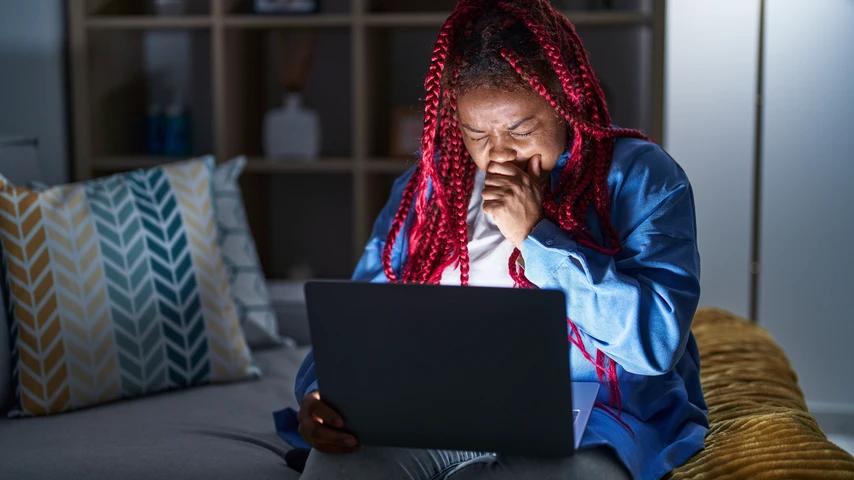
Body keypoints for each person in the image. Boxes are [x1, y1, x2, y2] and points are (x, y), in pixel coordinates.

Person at [273, 0, 708, 478]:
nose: (499, 154)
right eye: (476, 134)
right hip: (432, 403)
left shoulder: (642, 178)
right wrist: (320, 394)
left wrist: (534, 236)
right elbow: (359, 320)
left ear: (565, 102)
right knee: (337, 470)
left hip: (592, 417)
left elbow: (655, 343)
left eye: (521, 130)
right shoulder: (427, 189)